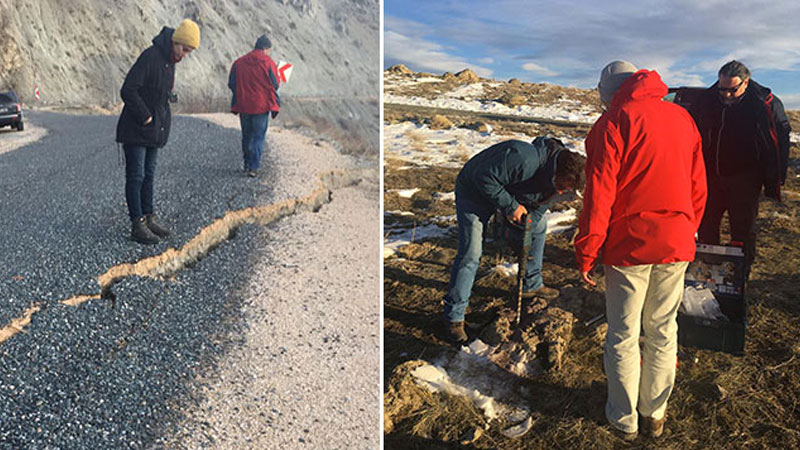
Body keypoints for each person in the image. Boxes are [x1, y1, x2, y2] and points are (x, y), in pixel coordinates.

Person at [574, 61, 707, 440]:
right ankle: (655, 414)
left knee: (623, 333)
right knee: (664, 329)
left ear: (608, 93)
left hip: (629, 246)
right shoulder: (682, 118)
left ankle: (623, 418)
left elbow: (599, 196)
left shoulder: (613, 123)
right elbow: (699, 185)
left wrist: (587, 250)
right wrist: (687, 228)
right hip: (678, 239)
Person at [442, 137, 586, 343]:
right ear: (556, 173)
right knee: (471, 253)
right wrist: (510, 207)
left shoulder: (559, 179)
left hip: (505, 191)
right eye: (562, 186)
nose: (562, 192)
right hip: (473, 191)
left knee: (539, 226)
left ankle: (531, 284)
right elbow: (483, 177)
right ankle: (454, 317)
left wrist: (524, 230)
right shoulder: (523, 158)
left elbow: (539, 207)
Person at [689, 60, 791, 276]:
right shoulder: (706, 100)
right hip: (711, 175)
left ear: (746, 82)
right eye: (722, 89)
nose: (725, 95)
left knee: (742, 228)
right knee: (707, 224)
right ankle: (710, 269)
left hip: (746, 178)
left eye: (732, 90)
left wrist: (775, 178)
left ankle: (740, 273)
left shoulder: (764, 103)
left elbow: (779, 142)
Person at [115, 19, 200, 244]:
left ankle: (149, 217)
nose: (185, 55)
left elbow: (158, 94)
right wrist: (146, 116)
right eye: (185, 49)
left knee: (149, 175)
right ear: (176, 42)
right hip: (137, 128)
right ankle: (137, 224)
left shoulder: (170, 62)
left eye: (189, 52)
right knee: (136, 176)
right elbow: (128, 90)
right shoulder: (151, 56)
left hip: (155, 131)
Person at [228, 34, 281, 177]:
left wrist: (241, 93)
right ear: (265, 49)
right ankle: (253, 167)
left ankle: (246, 164)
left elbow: (231, 83)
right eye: (269, 50)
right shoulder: (268, 63)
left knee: (246, 135)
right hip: (261, 107)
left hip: (244, 106)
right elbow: (275, 84)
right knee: (258, 136)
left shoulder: (239, 63)